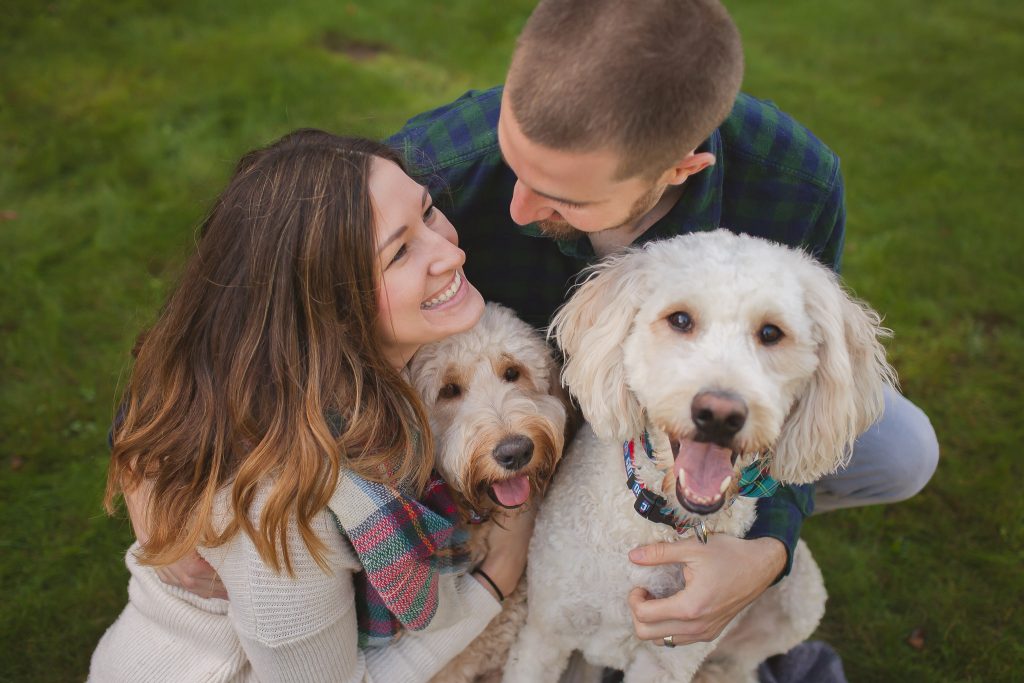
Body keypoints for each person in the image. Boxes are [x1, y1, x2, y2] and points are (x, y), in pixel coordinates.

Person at [384, 0, 939, 653]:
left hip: (713, 406)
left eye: (565, 196)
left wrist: (766, 550)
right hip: (524, 399)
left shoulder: (797, 183)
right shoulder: (438, 165)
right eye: (516, 164)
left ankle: (715, 518)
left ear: (682, 167)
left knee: (903, 451)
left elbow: (801, 378)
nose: (518, 206)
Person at [90, 130, 533, 682]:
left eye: (430, 212)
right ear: (331, 303)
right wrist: (496, 580)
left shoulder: (361, 390)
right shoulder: (281, 500)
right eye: (399, 251)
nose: (451, 251)